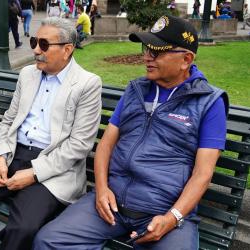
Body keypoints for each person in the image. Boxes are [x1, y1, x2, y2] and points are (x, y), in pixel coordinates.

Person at [33, 14, 228, 250]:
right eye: (146, 48)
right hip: (111, 202)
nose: (146, 57)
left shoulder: (209, 102)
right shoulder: (136, 89)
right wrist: (102, 189)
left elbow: (202, 174)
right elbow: (106, 144)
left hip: (164, 209)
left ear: (186, 59)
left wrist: (172, 217)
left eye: (156, 52)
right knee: (48, 241)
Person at [0, 16, 102, 250]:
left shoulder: (87, 84)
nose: (35, 50)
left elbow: (79, 146)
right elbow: (8, 122)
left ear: (67, 49)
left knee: (21, 228)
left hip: (52, 169)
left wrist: (33, 174)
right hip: (13, 156)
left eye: (43, 45)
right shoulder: (28, 74)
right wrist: (1, 158)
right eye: (34, 41)